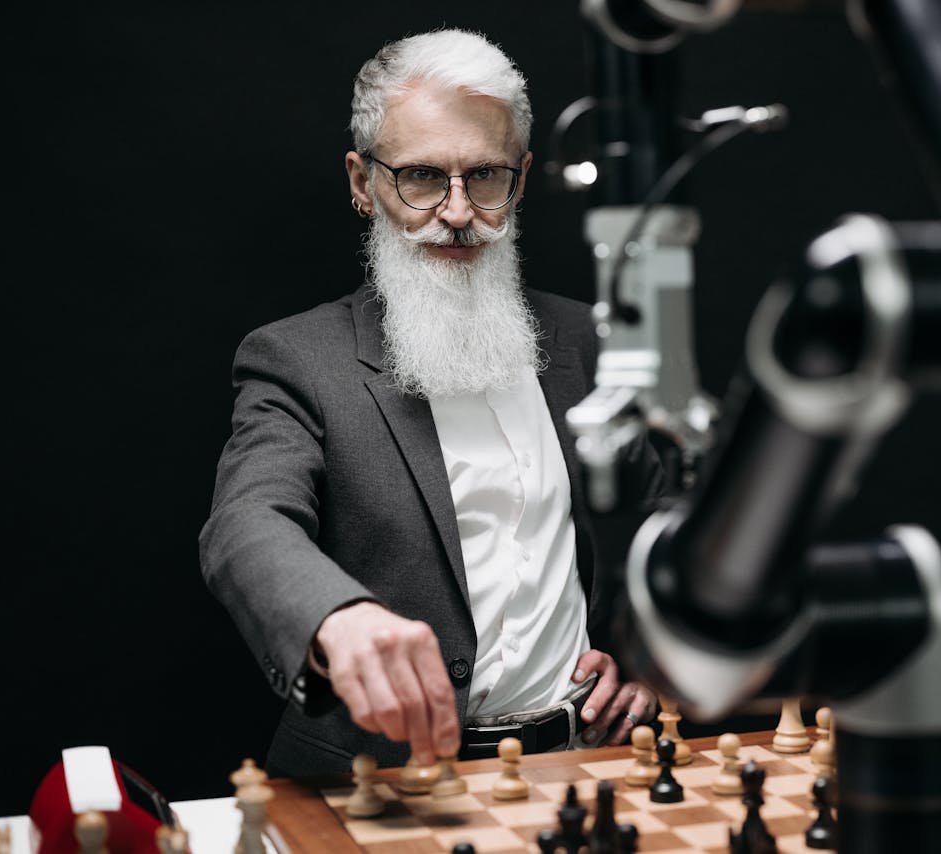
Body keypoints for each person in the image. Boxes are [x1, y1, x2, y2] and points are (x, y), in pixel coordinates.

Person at [199, 28, 662, 778]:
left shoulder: (589, 339)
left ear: (521, 177)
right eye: (420, 177)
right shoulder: (296, 359)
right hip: (384, 779)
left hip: (582, 765)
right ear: (362, 181)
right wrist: (338, 619)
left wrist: (651, 654)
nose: (457, 211)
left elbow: (674, 515)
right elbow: (246, 523)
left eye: (485, 176)